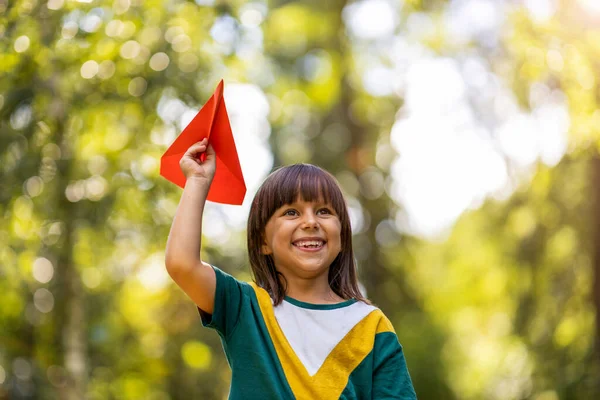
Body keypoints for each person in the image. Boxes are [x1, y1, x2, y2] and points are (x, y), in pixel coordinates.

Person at [165, 138, 417, 399]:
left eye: (323, 211)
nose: (310, 222)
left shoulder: (371, 326)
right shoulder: (244, 306)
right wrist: (196, 180)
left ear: (342, 236)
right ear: (263, 242)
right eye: (291, 213)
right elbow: (182, 265)